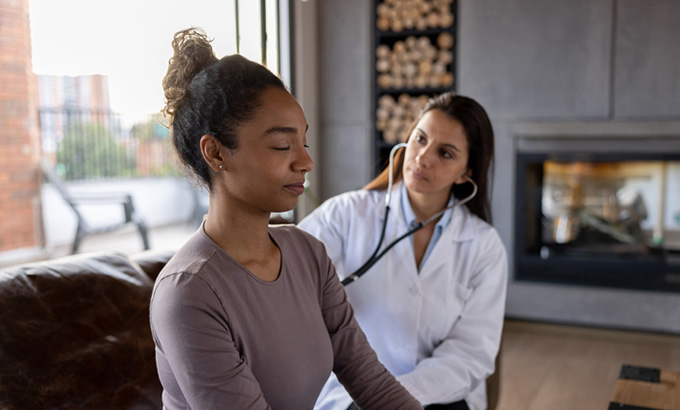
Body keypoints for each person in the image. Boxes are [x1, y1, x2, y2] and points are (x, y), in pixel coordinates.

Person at [149, 27, 423, 410]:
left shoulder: (308, 254)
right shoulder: (189, 293)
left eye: (303, 143)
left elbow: (369, 379)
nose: (306, 162)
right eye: (282, 145)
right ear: (215, 153)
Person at [299, 92, 508, 410]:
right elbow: (287, 272)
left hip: (440, 395)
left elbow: (470, 352)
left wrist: (392, 395)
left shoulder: (484, 246)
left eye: (446, 153)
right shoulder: (346, 214)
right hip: (353, 393)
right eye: (420, 138)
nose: (423, 157)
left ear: (466, 173)